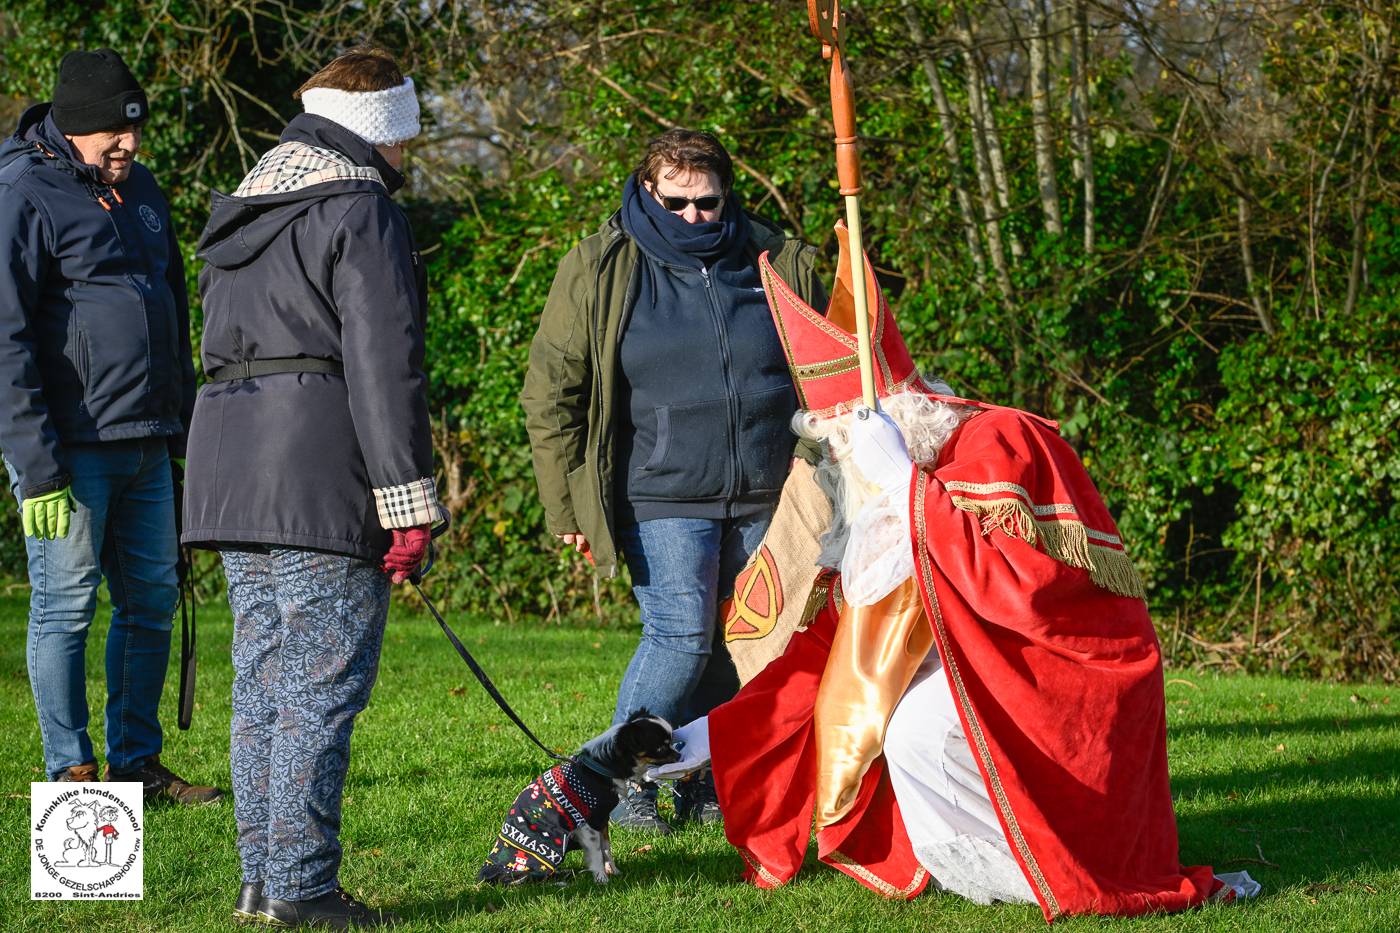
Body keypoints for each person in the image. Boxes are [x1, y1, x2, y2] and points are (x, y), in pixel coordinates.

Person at [695, 224, 1258, 919]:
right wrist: (703, 733)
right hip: (988, 659)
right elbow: (833, 653)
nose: (844, 461)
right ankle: (1009, 866)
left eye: (847, 437)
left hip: (1066, 665)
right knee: (908, 728)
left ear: (895, 414)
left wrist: (906, 481)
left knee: (921, 729)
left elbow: (1025, 592)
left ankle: (1060, 866)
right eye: (836, 443)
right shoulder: (880, 503)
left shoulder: (1004, 439)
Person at [183, 47, 443, 928]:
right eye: (405, 136)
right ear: (382, 129)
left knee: (262, 677)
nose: (409, 155)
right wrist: (407, 502)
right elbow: (384, 367)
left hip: (228, 467)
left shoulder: (245, 206)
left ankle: (262, 878)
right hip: (319, 470)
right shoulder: (358, 208)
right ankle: (301, 884)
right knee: (320, 681)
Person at [522, 129, 827, 833]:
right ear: (648, 190)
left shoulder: (775, 259)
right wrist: (563, 500)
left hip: (765, 487)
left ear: (728, 195)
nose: (695, 217)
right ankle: (619, 775)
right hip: (659, 489)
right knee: (681, 637)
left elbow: (835, 344)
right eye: (678, 202)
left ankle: (699, 773)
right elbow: (551, 392)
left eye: (709, 203)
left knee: (740, 639)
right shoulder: (602, 264)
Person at [0, 48, 220, 803]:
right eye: (112, 135)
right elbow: (5, 337)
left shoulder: (143, 190)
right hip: (71, 448)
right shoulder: (24, 193)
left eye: (135, 131)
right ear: (74, 126)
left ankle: (137, 761)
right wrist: (35, 465)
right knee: (65, 606)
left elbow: (171, 312)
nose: (129, 146)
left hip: (149, 440)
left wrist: (185, 433)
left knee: (152, 601)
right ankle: (73, 772)